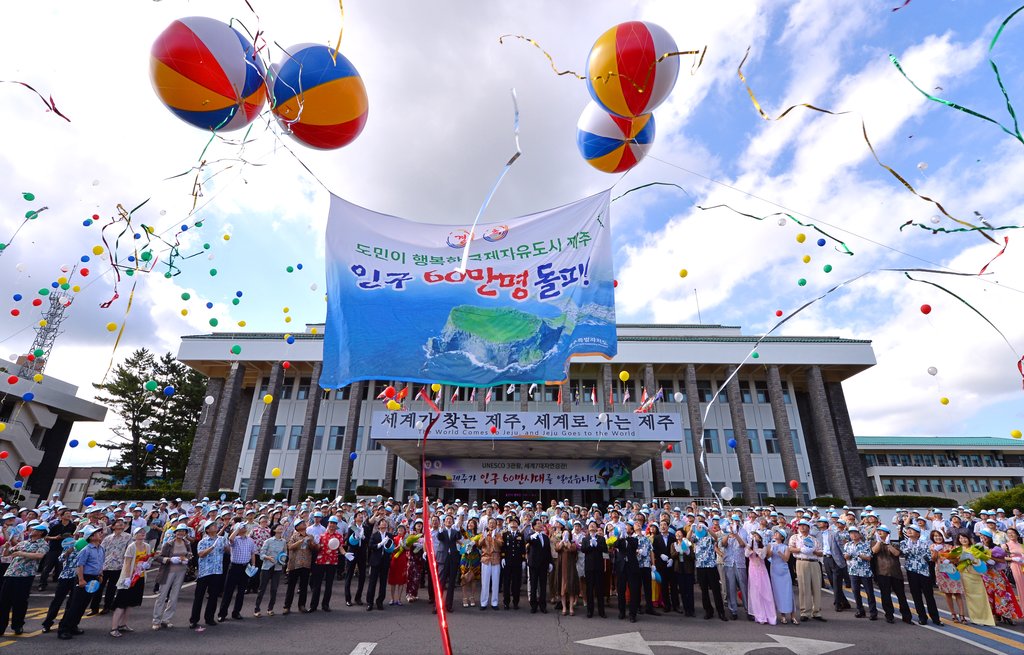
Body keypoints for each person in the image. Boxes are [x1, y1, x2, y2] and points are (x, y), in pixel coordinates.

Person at [57, 524, 105, 640]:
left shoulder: (101, 548)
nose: (100, 534)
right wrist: (81, 579)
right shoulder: (86, 549)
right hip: (84, 577)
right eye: (97, 533)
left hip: (94, 577)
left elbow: (100, 563)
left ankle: (74, 626)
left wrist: (100, 574)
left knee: (83, 604)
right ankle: (64, 628)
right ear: (91, 537)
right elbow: (80, 565)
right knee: (75, 604)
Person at [0, 522, 49, 636]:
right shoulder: (23, 542)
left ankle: (18, 625)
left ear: (41, 532)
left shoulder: (43, 544)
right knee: (3, 602)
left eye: (35, 529)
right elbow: (6, 554)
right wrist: (6, 548)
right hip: (11, 573)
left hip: (25, 575)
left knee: (20, 602)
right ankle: (1, 626)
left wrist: (21, 554)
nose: (31, 530)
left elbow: (39, 556)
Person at [110, 526, 153, 637]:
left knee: (130, 603)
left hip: (140, 577)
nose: (142, 533)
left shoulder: (147, 546)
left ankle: (123, 624)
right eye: (140, 532)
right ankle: (114, 628)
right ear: (135, 535)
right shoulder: (131, 547)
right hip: (129, 579)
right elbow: (128, 563)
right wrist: (128, 578)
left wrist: (146, 565)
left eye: (144, 532)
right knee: (121, 603)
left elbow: (148, 559)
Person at [977, 530, 1023, 626]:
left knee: (1001, 594)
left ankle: (1007, 615)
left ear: (989, 537)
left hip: (996, 574)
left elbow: (1002, 560)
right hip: (985, 575)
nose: (983, 537)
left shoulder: (996, 547)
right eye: (982, 535)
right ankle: (994, 615)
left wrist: (990, 557)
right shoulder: (978, 547)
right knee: (989, 595)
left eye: (985, 536)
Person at [900, 523, 942, 626]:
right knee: (916, 595)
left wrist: (920, 549)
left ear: (918, 533)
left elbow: (928, 557)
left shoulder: (925, 543)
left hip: (924, 571)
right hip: (911, 570)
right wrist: (917, 549)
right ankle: (922, 617)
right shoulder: (904, 542)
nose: (909, 531)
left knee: (929, 595)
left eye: (912, 530)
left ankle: (935, 618)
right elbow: (905, 552)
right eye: (908, 530)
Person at [151, 524, 191, 630]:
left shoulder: (187, 543)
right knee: (162, 595)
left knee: (174, 596)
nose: (181, 533)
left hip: (181, 572)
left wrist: (187, 559)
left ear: (186, 533)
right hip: (168, 572)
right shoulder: (169, 544)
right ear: (175, 532)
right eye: (178, 531)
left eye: (183, 531)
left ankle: (166, 619)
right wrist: (169, 560)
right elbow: (158, 557)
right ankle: (156, 620)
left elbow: (189, 554)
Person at [871, 525, 912, 624]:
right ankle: (889, 615)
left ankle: (906, 616)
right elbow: (874, 551)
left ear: (887, 533)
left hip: (896, 573)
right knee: (885, 596)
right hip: (882, 573)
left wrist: (888, 544)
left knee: (901, 596)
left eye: (882, 531)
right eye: (878, 531)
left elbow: (896, 553)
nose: (880, 533)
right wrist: (880, 542)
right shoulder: (874, 543)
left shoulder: (894, 543)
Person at [189, 520, 225, 632]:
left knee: (213, 596)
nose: (215, 527)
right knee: (199, 596)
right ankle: (194, 620)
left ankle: (209, 618)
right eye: (212, 526)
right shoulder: (203, 541)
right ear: (207, 530)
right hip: (205, 572)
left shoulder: (221, 539)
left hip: (217, 571)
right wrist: (212, 547)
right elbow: (201, 554)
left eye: (215, 525)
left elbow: (227, 550)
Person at [217, 523, 256, 621]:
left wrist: (253, 565)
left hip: (245, 567)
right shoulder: (235, 539)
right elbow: (230, 539)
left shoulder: (250, 540)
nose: (244, 528)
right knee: (228, 591)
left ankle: (236, 612)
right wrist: (238, 529)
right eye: (242, 527)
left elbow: (252, 553)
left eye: (245, 527)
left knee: (241, 591)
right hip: (234, 567)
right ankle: (222, 614)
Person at [788, 519, 825, 622]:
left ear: (809, 527)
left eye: (804, 525)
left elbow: (821, 551)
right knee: (804, 587)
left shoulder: (814, 539)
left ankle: (816, 611)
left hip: (814, 562)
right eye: (800, 525)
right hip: (801, 561)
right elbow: (790, 549)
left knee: (816, 587)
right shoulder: (795, 537)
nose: (802, 527)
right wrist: (800, 549)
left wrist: (814, 551)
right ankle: (805, 612)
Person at [41, 535, 79, 633]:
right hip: (65, 577)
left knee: (72, 603)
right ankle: (47, 623)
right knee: (57, 601)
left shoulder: (84, 548)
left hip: (76, 577)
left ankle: (65, 624)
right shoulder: (69, 546)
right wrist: (67, 552)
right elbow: (60, 559)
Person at [956, 532, 995, 626]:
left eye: (965, 538)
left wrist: (974, 559)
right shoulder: (957, 549)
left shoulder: (975, 548)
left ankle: (986, 618)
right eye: (961, 538)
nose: (963, 540)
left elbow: (982, 559)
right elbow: (954, 561)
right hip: (965, 574)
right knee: (970, 596)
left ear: (969, 538)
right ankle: (976, 618)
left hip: (976, 574)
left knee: (981, 595)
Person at [93, 518, 130, 615]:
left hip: (118, 566)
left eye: (122, 524)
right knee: (99, 587)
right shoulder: (108, 538)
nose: (120, 525)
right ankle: (94, 607)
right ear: (113, 526)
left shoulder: (128, 537)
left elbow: (129, 551)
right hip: (105, 565)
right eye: (118, 524)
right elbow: (101, 550)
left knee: (111, 588)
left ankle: (107, 607)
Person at [692, 521, 726, 622]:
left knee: (716, 590)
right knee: (704, 590)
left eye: (701, 526)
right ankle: (708, 611)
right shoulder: (696, 538)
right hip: (700, 567)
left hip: (711, 566)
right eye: (699, 526)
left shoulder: (710, 537)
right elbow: (689, 538)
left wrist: (707, 529)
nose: (700, 528)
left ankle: (721, 612)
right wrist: (691, 529)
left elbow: (716, 537)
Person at [930, 528, 966, 623]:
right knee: (948, 593)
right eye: (935, 536)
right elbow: (933, 560)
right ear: (933, 538)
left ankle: (962, 615)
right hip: (941, 570)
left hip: (951, 569)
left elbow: (957, 559)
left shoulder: (950, 546)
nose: (938, 538)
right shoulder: (932, 546)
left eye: (939, 536)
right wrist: (935, 551)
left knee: (957, 592)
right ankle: (953, 614)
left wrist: (950, 560)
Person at [309, 517, 343, 613]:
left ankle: (325, 605)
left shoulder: (339, 536)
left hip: (332, 562)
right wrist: (314, 543)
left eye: (334, 523)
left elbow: (340, 548)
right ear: (328, 524)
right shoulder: (321, 535)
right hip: (320, 561)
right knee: (317, 584)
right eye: (331, 523)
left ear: (336, 525)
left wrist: (345, 554)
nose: (332, 525)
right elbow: (317, 548)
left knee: (329, 584)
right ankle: (313, 605)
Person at [842, 526, 876, 620]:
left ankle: (873, 612)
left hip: (864, 572)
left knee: (869, 592)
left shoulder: (865, 545)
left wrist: (858, 554)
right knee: (856, 592)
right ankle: (860, 610)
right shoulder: (848, 545)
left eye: (855, 533)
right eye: (851, 533)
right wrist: (848, 556)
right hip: (853, 571)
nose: (853, 535)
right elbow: (845, 556)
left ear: (859, 534)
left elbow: (869, 558)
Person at [721, 514, 750, 621]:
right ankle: (733, 610)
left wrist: (736, 534)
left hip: (740, 562)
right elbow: (723, 544)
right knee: (730, 587)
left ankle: (748, 610)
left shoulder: (743, 531)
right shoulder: (726, 531)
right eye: (733, 521)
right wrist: (728, 534)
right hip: (729, 562)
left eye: (737, 521)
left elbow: (743, 545)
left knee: (744, 586)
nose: (735, 522)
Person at [253, 523, 286, 616]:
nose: (281, 528)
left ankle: (270, 608)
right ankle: (257, 609)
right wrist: (268, 557)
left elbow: (284, 554)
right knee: (262, 588)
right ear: (274, 530)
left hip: (277, 567)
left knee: (274, 589)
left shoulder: (283, 541)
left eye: (282, 527)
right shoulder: (268, 541)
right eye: (278, 527)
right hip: (267, 567)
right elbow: (261, 554)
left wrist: (283, 560)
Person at [38, 508, 75, 591]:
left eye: (70, 514)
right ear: (61, 516)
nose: (69, 515)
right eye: (66, 514)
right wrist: (55, 537)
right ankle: (42, 584)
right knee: (47, 567)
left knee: (60, 566)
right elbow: (45, 537)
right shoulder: (54, 525)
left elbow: (73, 535)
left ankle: (57, 583)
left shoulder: (72, 525)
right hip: (53, 548)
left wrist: (71, 537)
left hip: (64, 549)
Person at [745, 530, 776, 625]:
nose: (754, 537)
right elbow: (746, 554)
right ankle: (759, 615)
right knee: (755, 592)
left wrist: (757, 549)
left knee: (765, 591)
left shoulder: (764, 547)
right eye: (753, 535)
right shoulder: (749, 546)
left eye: (756, 535)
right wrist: (751, 546)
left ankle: (769, 615)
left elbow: (762, 556)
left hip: (761, 571)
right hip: (752, 570)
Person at [283, 518, 314, 614]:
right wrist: (301, 541)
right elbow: (290, 547)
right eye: (301, 523)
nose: (304, 524)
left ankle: (302, 605)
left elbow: (313, 549)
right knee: (291, 587)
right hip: (294, 564)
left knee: (304, 586)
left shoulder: (310, 536)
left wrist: (310, 543)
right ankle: (287, 606)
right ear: (297, 527)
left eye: (304, 522)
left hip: (306, 564)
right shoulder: (294, 536)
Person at [613, 522, 641, 622]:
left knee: (633, 590)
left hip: (632, 567)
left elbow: (634, 546)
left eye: (627, 527)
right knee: (621, 590)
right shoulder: (620, 539)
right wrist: (621, 537)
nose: (625, 528)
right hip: (621, 567)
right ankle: (621, 611)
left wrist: (627, 538)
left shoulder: (634, 539)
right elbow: (615, 545)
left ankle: (632, 614)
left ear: (632, 530)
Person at [579, 520, 607, 618]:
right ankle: (590, 610)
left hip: (599, 566)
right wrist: (591, 545)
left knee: (600, 589)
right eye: (590, 525)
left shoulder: (601, 538)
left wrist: (597, 545)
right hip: (589, 566)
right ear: (588, 528)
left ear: (596, 528)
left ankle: (601, 611)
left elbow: (605, 549)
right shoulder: (585, 539)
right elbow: (583, 549)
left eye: (594, 525)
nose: (592, 526)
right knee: (589, 589)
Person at [769, 528, 797, 624]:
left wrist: (779, 552)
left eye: (778, 533)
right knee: (778, 593)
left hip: (784, 572)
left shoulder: (786, 547)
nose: (775, 534)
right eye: (775, 533)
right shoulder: (771, 545)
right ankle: (782, 616)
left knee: (788, 592)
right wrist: (770, 550)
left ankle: (793, 615)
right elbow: (768, 556)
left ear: (782, 537)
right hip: (774, 571)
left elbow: (786, 559)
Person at [527, 518, 553, 615]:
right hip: (533, 564)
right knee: (533, 585)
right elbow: (527, 540)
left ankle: (543, 605)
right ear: (534, 526)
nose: (540, 525)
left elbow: (548, 551)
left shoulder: (545, 537)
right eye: (538, 524)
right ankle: (533, 605)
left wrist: (550, 562)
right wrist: (533, 535)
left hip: (543, 564)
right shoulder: (532, 535)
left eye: (541, 523)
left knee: (543, 586)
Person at [366, 519, 393, 611]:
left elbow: (391, 547)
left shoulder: (389, 535)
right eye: (382, 524)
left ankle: (380, 601)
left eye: (386, 524)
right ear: (378, 526)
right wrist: (380, 544)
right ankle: (370, 602)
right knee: (372, 582)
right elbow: (370, 546)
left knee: (383, 583)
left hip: (385, 561)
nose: (384, 526)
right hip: (375, 561)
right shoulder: (374, 535)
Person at [437, 515, 461, 613]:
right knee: (441, 582)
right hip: (443, 558)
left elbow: (459, 537)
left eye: (450, 520)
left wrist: (458, 528)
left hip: (453, 559)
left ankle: (449, 605)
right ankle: (437, 605)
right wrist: (440, 530)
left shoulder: (455, 531)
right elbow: (439, 537)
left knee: (451, 583)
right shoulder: (442, 531)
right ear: (444, 521)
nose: (449, 521)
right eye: (447, 520)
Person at [652, 520, 676, 614]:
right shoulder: (657, 538)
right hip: (661, 565)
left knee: (673, 586)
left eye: (664, 525)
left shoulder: (672, 537)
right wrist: (661, 555)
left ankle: (676, 605)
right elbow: (654, 550)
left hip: (671, 565)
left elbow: (675, 549)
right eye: (661, 525)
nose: (662, 527)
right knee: (664, 586)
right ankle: (666, 605)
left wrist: (672, 559)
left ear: (668, 526)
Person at [501, 515, 525, 610]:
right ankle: (506, 602)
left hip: (517, 562)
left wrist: (523, 560)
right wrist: (502, 557)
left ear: (518, 524)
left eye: (515, 522)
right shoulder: (505, 535)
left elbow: (523, 549)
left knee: (516, 583)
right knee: (506, 582)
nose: (513, 523)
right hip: (507, 561)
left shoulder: (520, 535)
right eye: (511, 522)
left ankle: (516, 602)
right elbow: (503, 547)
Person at [478, 518, 502, 611]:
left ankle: (494, 602)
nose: (491, 525)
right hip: (486, 559)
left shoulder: (498, 534)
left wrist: (494, 537)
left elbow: (500, 545)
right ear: (488, 525)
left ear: (496, 525)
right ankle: (483, 602)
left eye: (493, 523)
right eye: (490, 523)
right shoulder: (484, 534)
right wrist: (484, 537)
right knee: (485, 582)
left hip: (495, 559)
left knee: (495, 582)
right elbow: (479, 544)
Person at [673, 527, 695, 617]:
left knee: (689, 590)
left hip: (688, 569)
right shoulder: (673, 544)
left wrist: (687, 552)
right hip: (679, 569)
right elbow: (672, 555)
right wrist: (678, 551)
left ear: (683, 535)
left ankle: (691, 609)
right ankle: (686, 609)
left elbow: (693, 557)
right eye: (676, 533)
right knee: (682, 590)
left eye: (679, 533)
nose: (678, 535)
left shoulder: (688, 544)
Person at [459, 517, 480, 608]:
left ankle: (472, 597)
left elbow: (480, 546)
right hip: (465, 558)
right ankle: (464, 597)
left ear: (475, 525)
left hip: (475, 558)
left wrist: (475, 543)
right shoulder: (465, 533)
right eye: (469, 523)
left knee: (474, 578)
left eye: (472, 523)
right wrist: (464, 545)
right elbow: (457, 538)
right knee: (464, 577)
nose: (470, 524)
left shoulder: (479, 535)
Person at [388, 525, 409, 606]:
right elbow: (392, 550)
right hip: (394, 560)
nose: (400, 530)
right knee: (392, 581)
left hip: (402, 560)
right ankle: (392, 599)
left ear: (404, 531)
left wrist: (404, 545)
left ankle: (399, 599)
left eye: (402, 529)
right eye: (399, 529)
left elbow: (408, 548)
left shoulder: (406, 538)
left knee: (401, 581)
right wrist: (398, 546)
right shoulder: (394, 538)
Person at [405, 520, 425, 603]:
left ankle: (414, 593)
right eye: (418, 524)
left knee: (417, 576)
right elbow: (407, 545)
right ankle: (409, 594)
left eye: (420, 524)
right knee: (411, 575)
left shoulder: (424, 535)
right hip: (412, 557)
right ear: (415, 526)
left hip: (420, 557)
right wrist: (412, 543)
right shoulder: (412, 534)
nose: (419, 526)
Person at [1005, 528, 1024, 609]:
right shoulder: (1006, 545)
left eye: (1012, 533)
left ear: (1017, 534)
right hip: (1015, 566)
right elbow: (1003, 557)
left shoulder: (1021, 544)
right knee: (1020, 586)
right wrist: (1013, 559)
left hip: (1022, 565)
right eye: (1009, 533)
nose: (1011, 535)